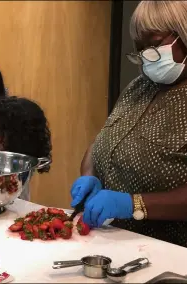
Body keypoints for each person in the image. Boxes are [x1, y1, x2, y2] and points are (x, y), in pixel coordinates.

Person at [70, 0, 187, 247]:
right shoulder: (139, 87)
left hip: (171, 253)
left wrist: (134, 204)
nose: (146, 56)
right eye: (140, 48)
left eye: (154, 44)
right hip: (116, 243)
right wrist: (89, 176)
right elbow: (103, 140)